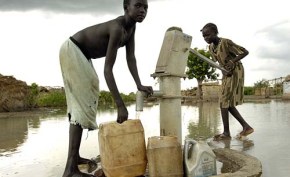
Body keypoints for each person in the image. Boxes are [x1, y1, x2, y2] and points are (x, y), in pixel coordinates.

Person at [59, 0, 153, 176]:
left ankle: (74, 157)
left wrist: (139, 84)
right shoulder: (117, 28)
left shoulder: (131, 29)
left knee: (86, 97)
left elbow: (131, 58)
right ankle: (70, 169)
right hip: (73, 49)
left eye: (145, 7)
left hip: (80, 53)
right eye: (138, 6)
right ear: (126, 8)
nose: (143, 10)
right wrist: (120, 105)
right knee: (82, 104)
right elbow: (108, 70)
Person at [200, 23, 254, 140]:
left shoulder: (225, 42)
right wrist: (223, 71)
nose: (206, 38)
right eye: (204, 36)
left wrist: (233, 61)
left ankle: (227, 133)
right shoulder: (210, 47)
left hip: (236, 71)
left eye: (208, 35)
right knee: (225, 102)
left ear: (215, 32)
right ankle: (245, 127)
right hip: (226, 73)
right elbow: (219, 63)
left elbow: (245, 52)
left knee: (224, 101)